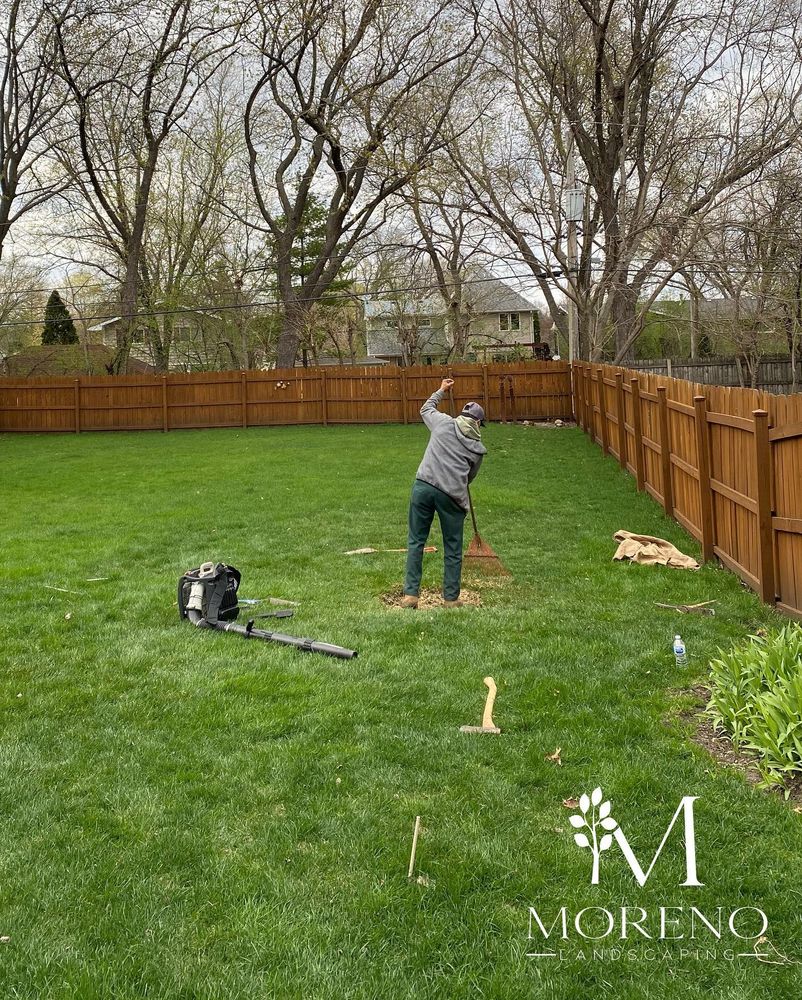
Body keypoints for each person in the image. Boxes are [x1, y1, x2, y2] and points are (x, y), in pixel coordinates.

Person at [403, 377, 487, 608]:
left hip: (423, 487)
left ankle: (411, 595)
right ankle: (450, 599)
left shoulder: (442, 422)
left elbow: (425, 408)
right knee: (452, 547)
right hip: (451, 497)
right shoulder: (478, 450)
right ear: (478, 424)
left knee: (416, 541)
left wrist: (441, 390)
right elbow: (469, 477)